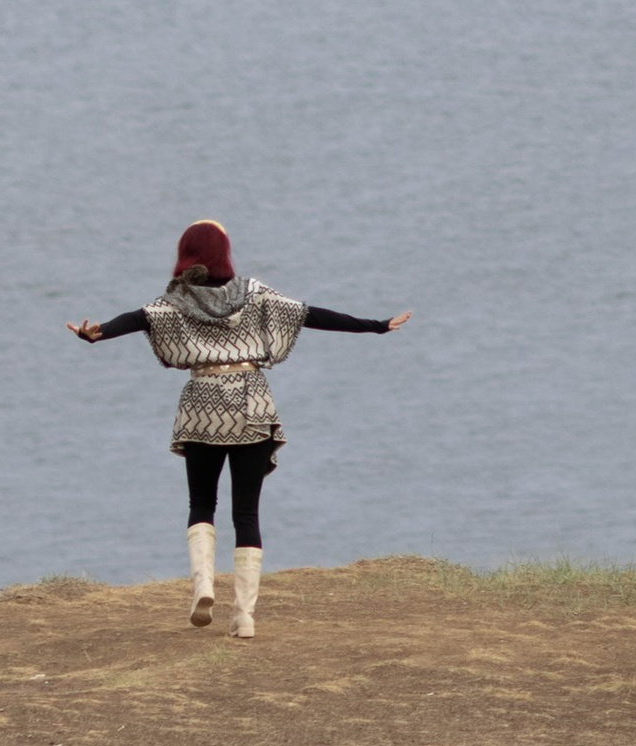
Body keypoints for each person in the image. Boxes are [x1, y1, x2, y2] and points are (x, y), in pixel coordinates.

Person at [68, 218, 408, 637]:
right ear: (224, 252)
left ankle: (203, 587)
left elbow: (136, 319)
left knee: (201, 503)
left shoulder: (176, 301)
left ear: (187, 253)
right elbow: (309, 314)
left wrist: (96, 335)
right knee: (246, 513)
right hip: (251, 400)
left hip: (202, 403)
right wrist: (373, 325)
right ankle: (244, 616)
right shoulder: (254, 293)